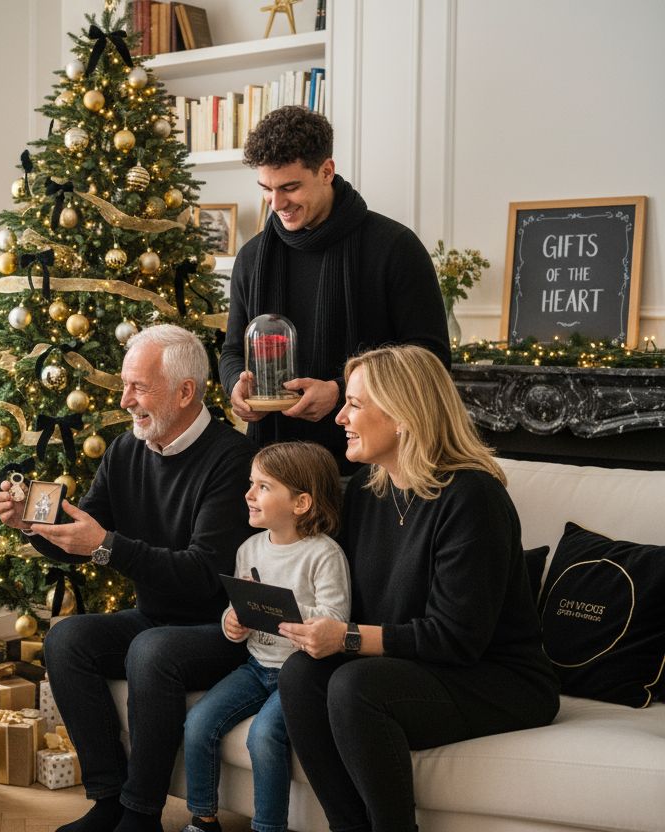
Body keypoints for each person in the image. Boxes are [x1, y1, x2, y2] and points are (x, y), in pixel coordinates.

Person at [276, 345, 560, 832]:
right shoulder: (370, 488)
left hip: (497, 678)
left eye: (356, 404)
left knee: (354, 684)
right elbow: (338, 588)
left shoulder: (472, 498)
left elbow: (456, 637)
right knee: (302, 675)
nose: (341, 415)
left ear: (405, 415)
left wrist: (345, 637)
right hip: (413, 665)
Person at [0, 324, 253, 832]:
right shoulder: (126, 450)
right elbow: (82, 532)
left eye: (139, 387)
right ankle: (108, 798)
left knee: (151, 649)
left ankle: (140, 815)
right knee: (68, 638)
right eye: (125, 384)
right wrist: (33, 526)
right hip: (157, 618)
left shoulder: (231, 460)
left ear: (185, 391)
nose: (126, 399)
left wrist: (107, 546)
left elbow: (204, 575)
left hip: (222, 628)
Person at [219, 105, 450, 475]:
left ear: (327, 171)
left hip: (375, 472)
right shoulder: (251, 258)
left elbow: (431, 360)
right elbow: (233, 349)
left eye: (290, 187)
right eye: (266, 189)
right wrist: (235, 384)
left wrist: (340, 390)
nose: (276, 204)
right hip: (276, 473)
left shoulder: (395, 247)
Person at [182, 441, 350, 832]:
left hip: (300, 676)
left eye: (263, 486)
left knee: (263, 737)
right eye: (251, 484)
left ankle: (267, 828)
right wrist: (233, 623)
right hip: (256, 666)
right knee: (199, 722)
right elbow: (236, 606)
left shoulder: (324, 555)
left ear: (301, 502)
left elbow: (334, 619)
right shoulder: (249, 549)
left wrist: (279, 609)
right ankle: (203, 818)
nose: (249, 494)